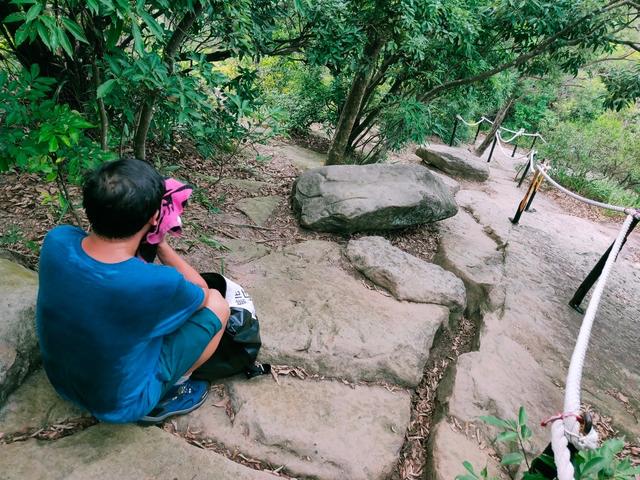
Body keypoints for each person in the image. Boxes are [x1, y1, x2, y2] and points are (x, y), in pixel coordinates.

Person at [36, 158, 230, 424]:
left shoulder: (57, 240)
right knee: (219, 305)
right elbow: (203, 293)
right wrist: (161, 244)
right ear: (154, 217)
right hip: (120, 404)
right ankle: (171, 390)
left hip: (60, 381)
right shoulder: (156, 282)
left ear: (89, 206)